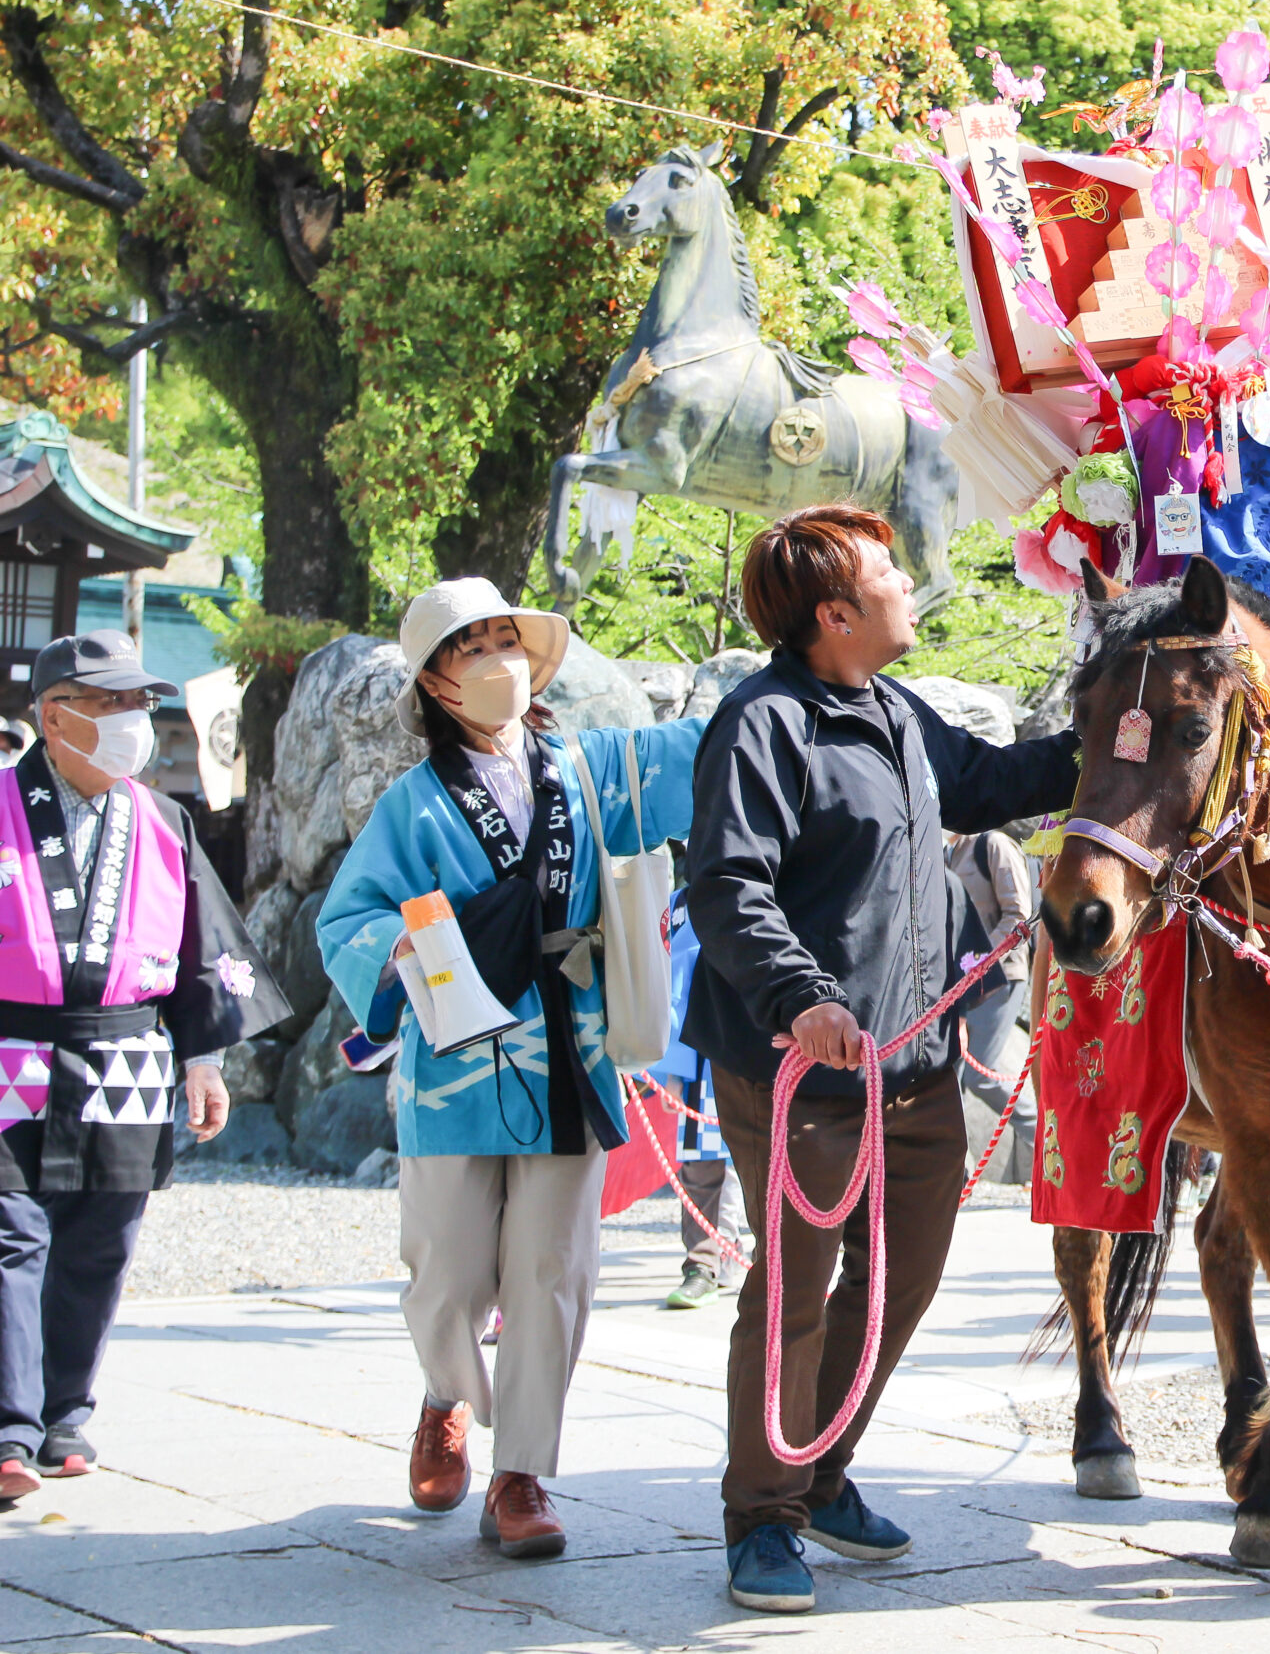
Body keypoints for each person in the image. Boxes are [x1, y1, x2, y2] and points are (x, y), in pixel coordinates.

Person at [686, 505, 1080, 1615]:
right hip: (799, 1070)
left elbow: (993, 783)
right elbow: (727, 884)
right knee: (794, 1289)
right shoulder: (763, 724)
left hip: (914, 1065)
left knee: (904, 1276)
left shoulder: (896, 712)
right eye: (888, 573)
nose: (910, 584)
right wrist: (801, 997)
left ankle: (819, 1471)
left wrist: (1117, 725)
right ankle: (764, 1517)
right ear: (834, 613)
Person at [319, 580, 704, 1557]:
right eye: (472, 647)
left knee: (552, 1269)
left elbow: (704, 751)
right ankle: (444, 1393)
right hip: (453, 1064)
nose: (499, 660)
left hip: (572, 1050)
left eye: (506, 639)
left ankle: (521, 1473)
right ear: (435, 684)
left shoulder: (593, 768)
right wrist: (405, 948)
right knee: (446, 1270)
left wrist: (793, 680)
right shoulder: (411, 805)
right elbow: (347, 916)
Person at [0, 631, 290, 1500]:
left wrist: (204, 1059)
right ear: (56, 717)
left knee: (102, 1240)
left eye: (139, 701)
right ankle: (8, 1428)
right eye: (111, 702)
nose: (134, 719)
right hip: (13, 1050)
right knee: (11, 1238)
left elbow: (206, 947)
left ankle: (64, 1416)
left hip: (125, 1053)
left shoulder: (163, 820)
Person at [651, 888, 751, 1310]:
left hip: (767, 1043)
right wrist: (674, 1070)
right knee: (703, 1165)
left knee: (769, 1163)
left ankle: (765, 1260)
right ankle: (704, 1263)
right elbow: (677, 981)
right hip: (705, 1048)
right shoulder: (686, 902)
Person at [945, 826, 1036, 1159]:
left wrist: (981, 960)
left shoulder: (993, 845)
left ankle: (1046, 1139)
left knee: (978, 1073)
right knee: (949, 1077)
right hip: (961, 986)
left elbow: (1019, 915)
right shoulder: (948, 855)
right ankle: (957, 1169)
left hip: (1001, 978)